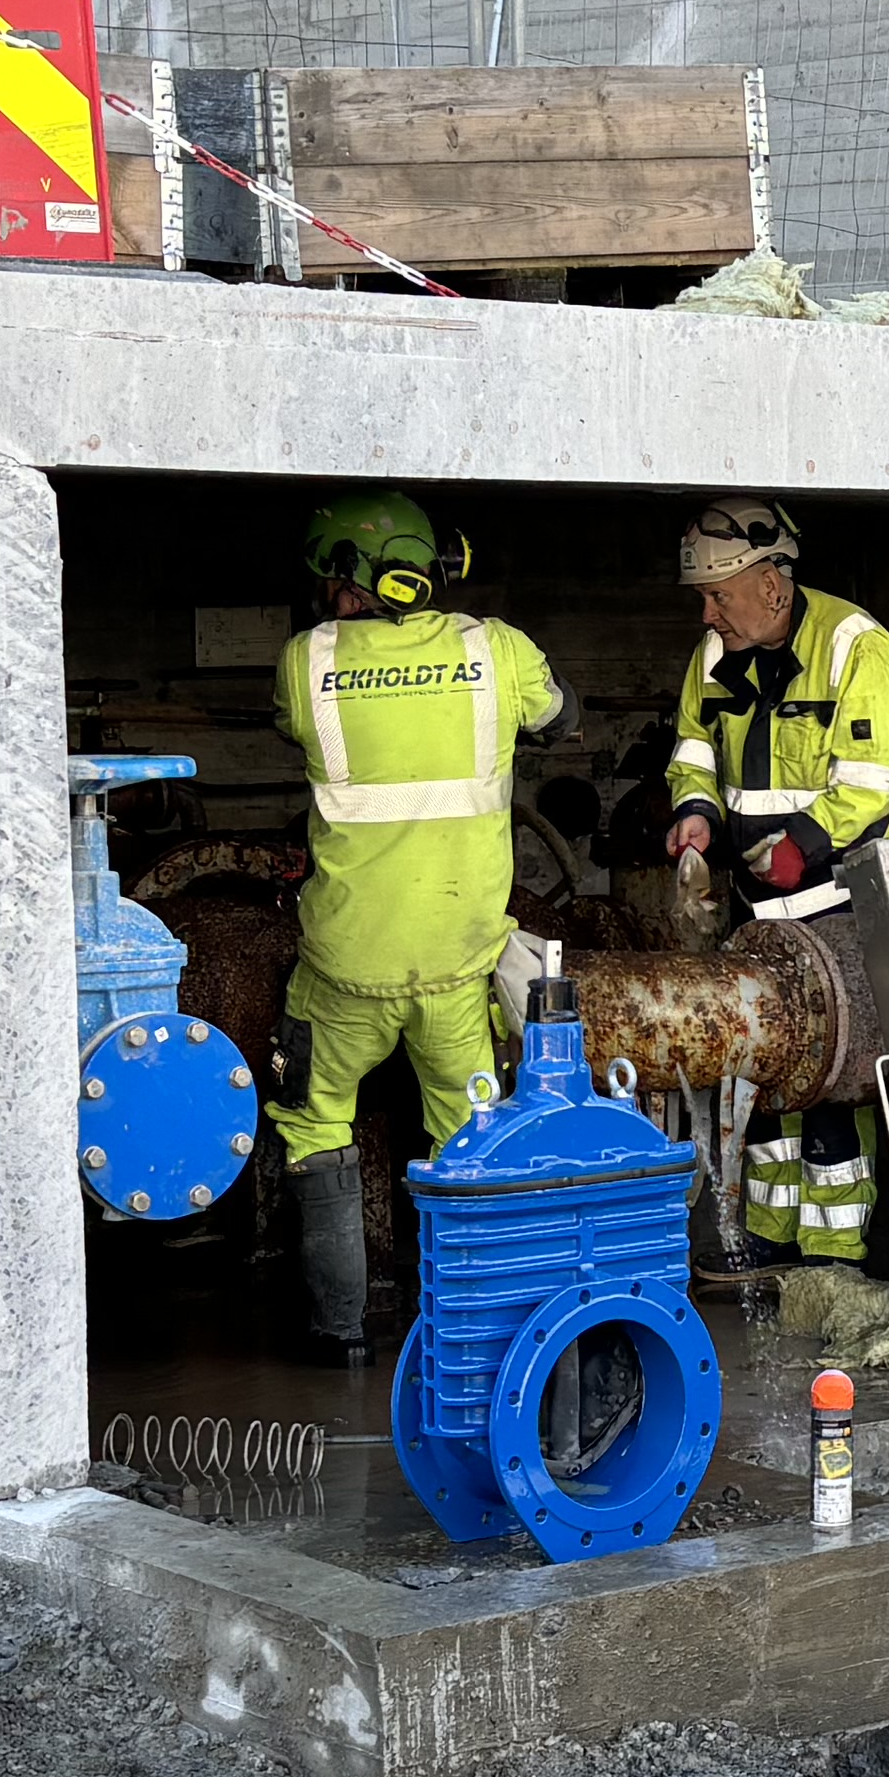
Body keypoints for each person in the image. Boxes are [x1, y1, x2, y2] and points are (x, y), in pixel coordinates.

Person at [269, 487, 555, 1355]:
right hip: (457, 964)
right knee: (467, 1134)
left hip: (344, 966)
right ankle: (469, 1331)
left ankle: (337, 1338)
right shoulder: (496, 649)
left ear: (344, 581)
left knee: (314, 1122)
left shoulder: (304, 660)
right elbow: (559, 715)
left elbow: (289, 729)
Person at [663, 494, 889, 1267]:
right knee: (766, 1076)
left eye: (719, 594)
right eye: (702, 597)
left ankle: (833, 1256)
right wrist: (696, 812)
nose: (707, 615)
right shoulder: (713, 653)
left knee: (832, 1082)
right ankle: (772, 1240)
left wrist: (802, 844)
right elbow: (694, 747)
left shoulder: (855, 647)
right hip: (755, 910)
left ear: (772, 585)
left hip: (842, 906)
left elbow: (874, 781)